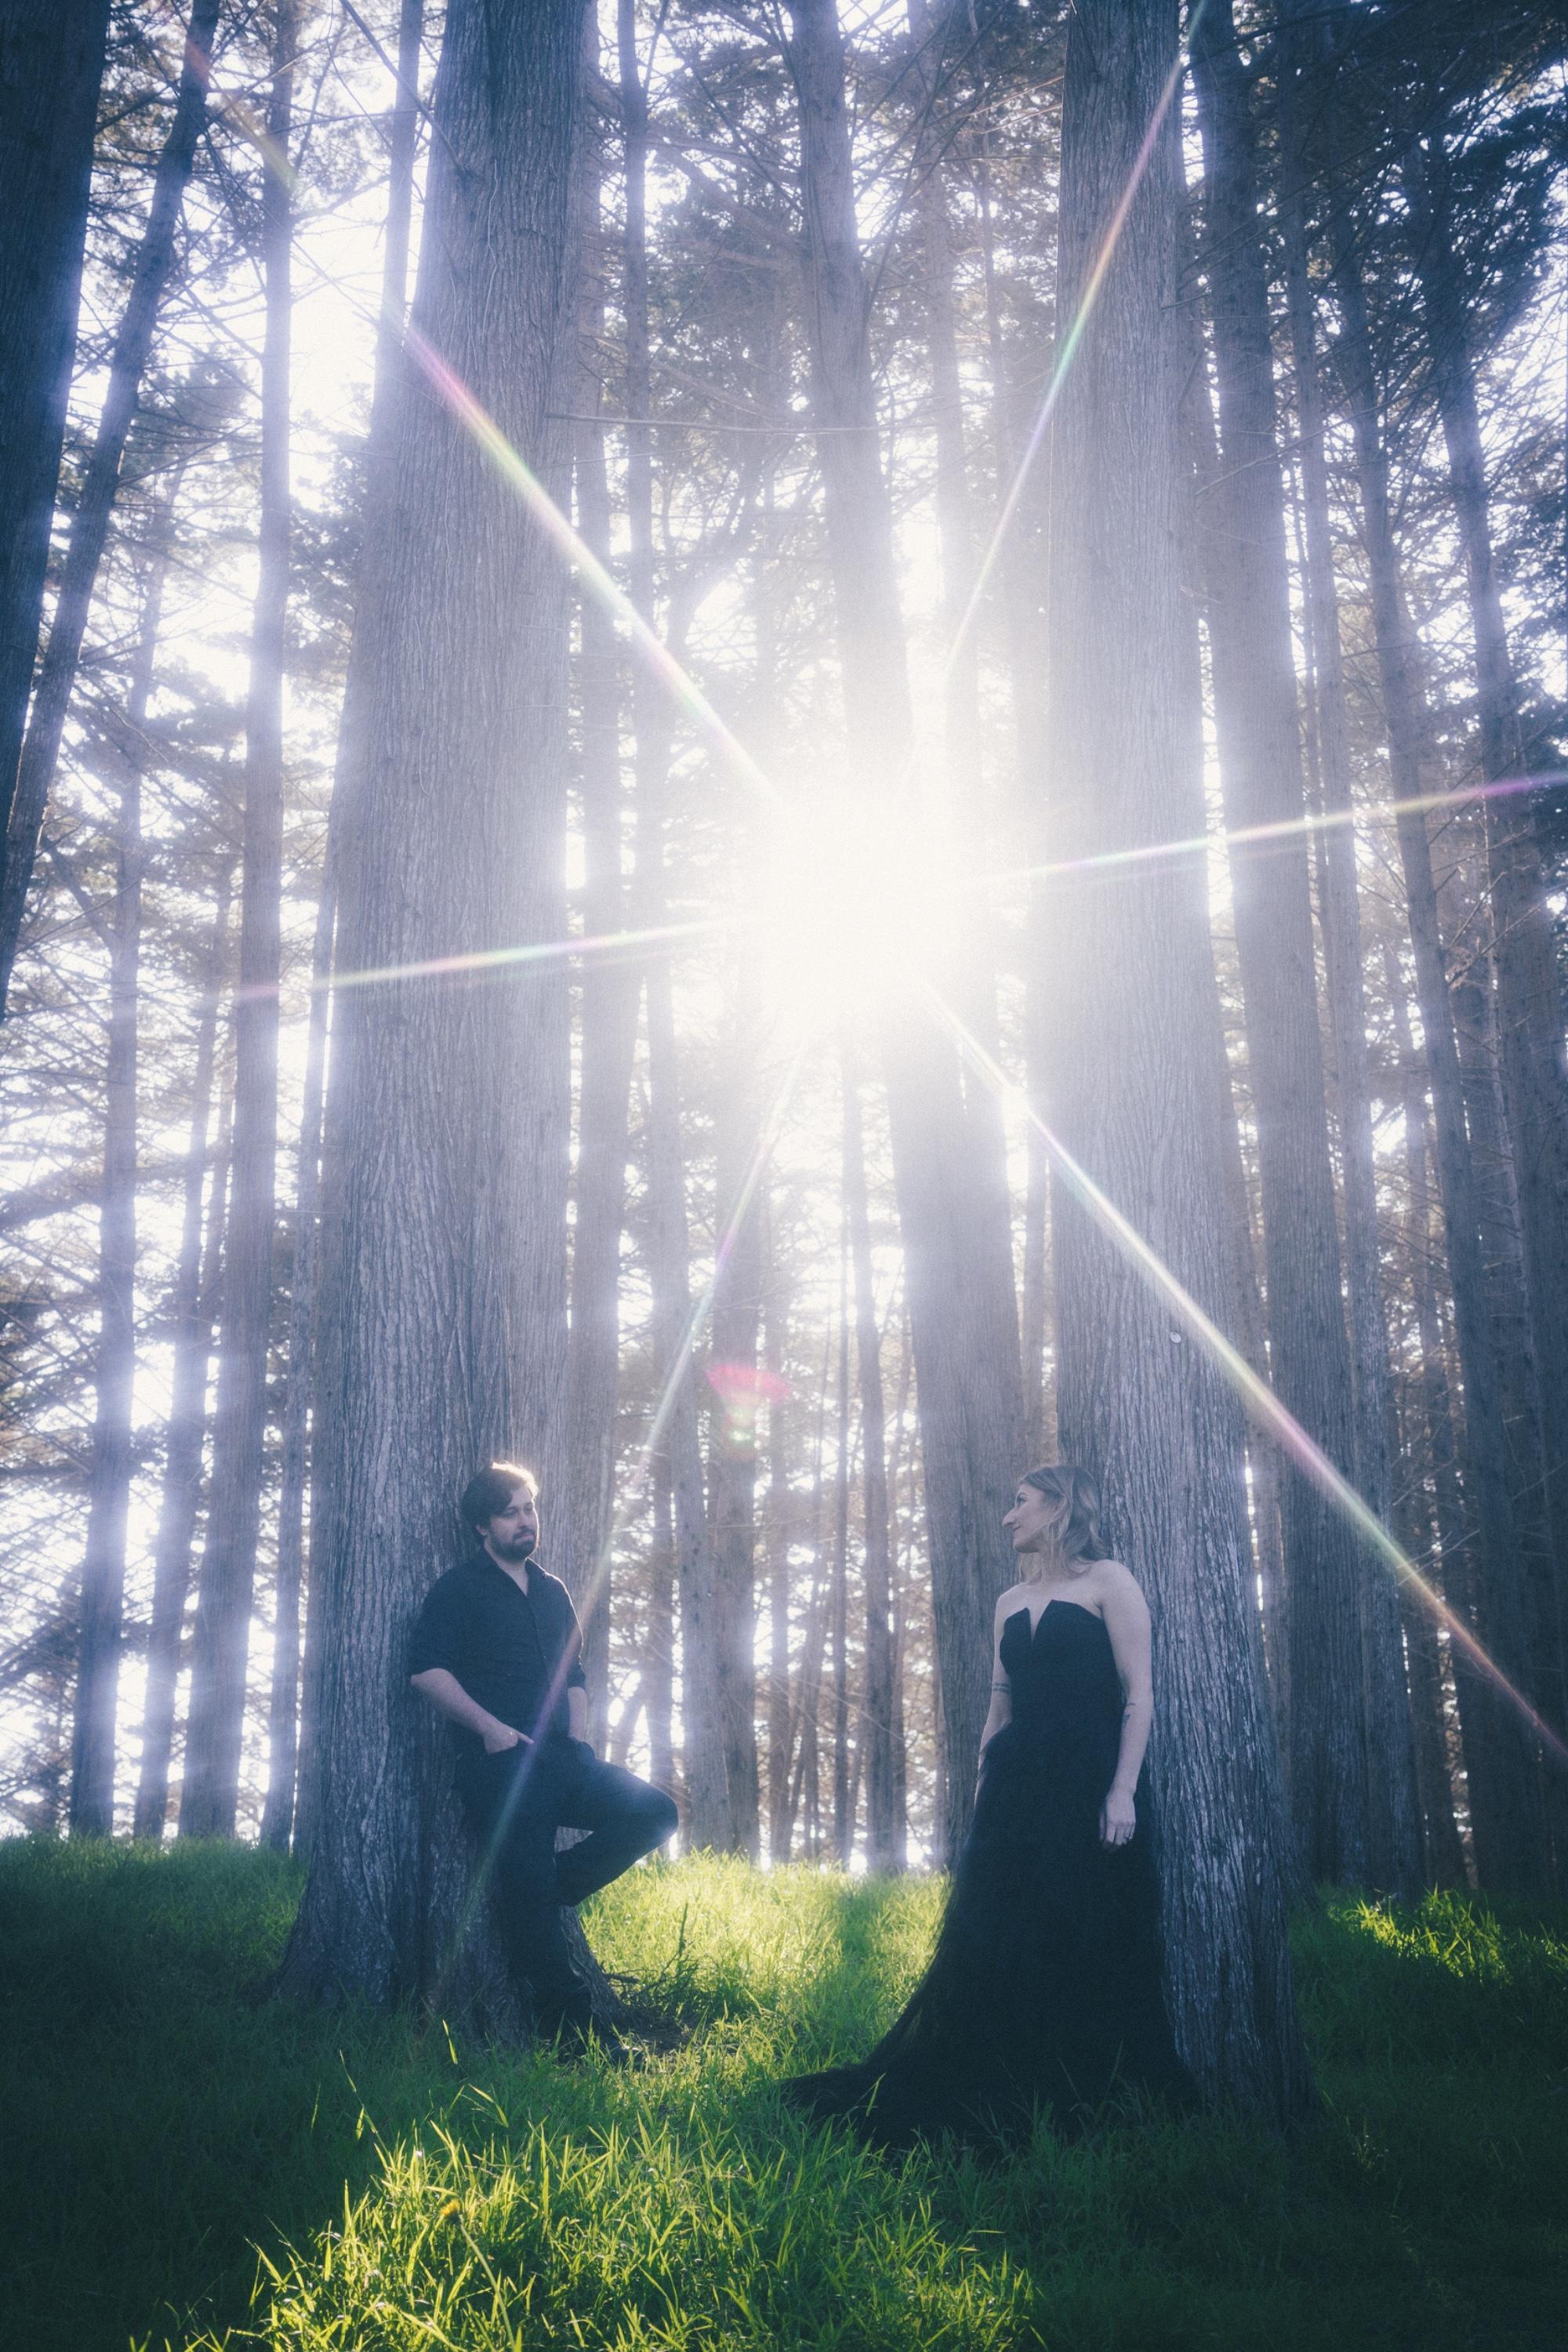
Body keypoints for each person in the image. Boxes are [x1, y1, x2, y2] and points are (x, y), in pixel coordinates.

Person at [786, 1464, 1192, 2145]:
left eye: (1021, 1503)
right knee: (1001, 1939)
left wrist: (1122, 1789)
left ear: (1060, 1508)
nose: (1009, 1517)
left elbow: (1139, 1694)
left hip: (1086, 1785)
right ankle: (998, 2085)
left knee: (1081, 1932)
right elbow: (999, 1703)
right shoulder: (1008, 1601)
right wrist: (982, 1790)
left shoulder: (1109, 1582)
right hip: (1014, 1791)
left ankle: (1076, 2096)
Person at [409, 1461, 677, 2052]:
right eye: (511, 1512)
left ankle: (544, 1889)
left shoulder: (554, 1590)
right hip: (501, 1766)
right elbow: (426, 1670)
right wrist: (490, 1729)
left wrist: (579, 1737)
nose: (526, 1520)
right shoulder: (459, 1588)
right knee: (528, 1896)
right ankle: (575, 2039)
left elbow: (574, 1672)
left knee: (656, 1813)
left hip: (563, 1759)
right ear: (484, 1526)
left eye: (530, 1507)